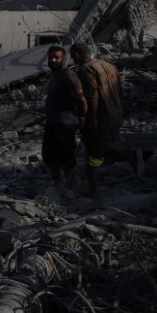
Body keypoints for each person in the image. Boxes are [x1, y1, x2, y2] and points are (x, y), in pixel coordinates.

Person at [69, 43, 124, 199]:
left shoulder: (85, 69)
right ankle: (128, 158)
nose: (72, 60)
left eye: (72, 56)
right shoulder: (109, 66)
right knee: (102, 148)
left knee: (92, 152)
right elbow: (120, 92)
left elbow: (91, 99)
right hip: (115, 115)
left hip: (99, 117)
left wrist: (87, 120)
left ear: (77, 55)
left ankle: (93, 191)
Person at [42, 45, 88, 199]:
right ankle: (58, 183)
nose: (53, 60)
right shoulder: (55, 75)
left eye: (56, 57)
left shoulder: (69, 76)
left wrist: (81, 117)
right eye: (50, 57)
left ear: (64, 59)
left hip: (65, 124)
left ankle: (71, 189)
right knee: (49, 155)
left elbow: (81, 99)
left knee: (67, 157)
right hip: (53, 122)